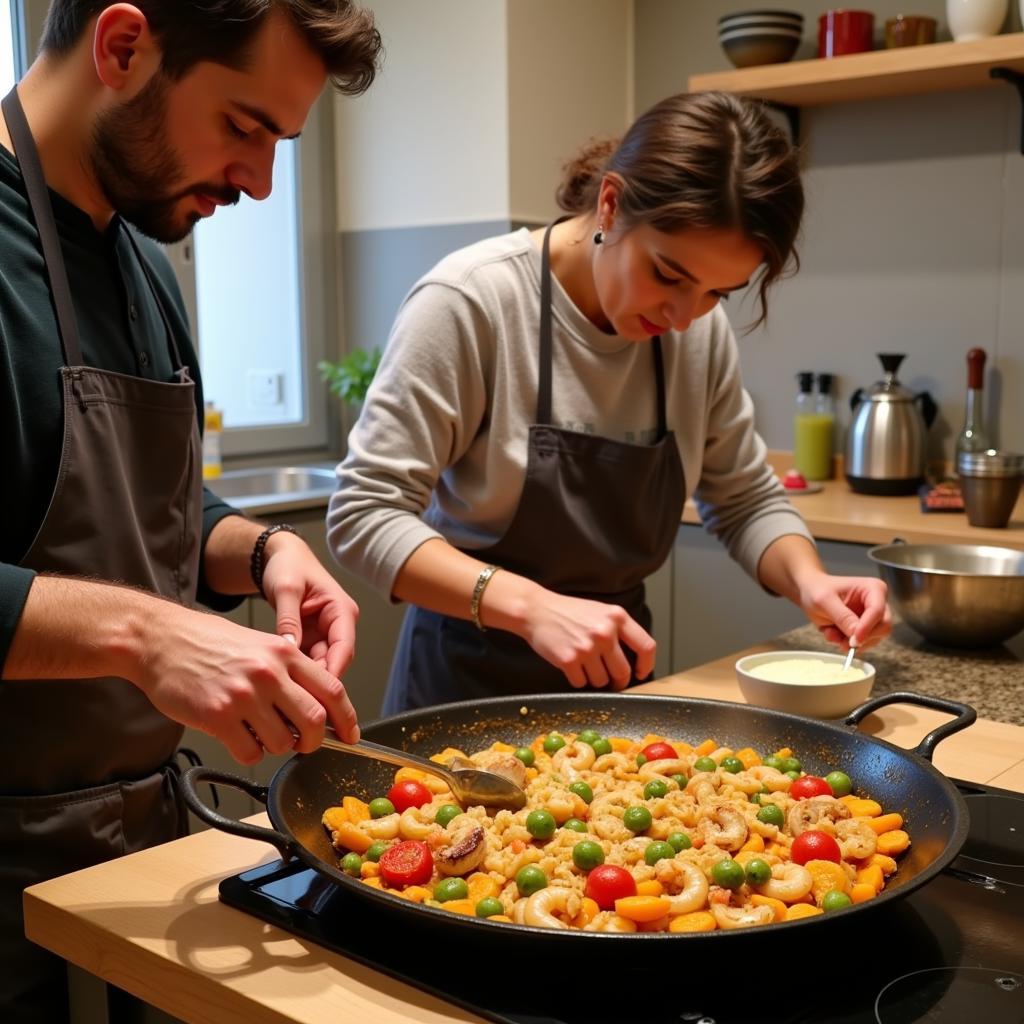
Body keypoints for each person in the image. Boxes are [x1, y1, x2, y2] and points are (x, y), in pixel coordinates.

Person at [0, 2, 381, 1019]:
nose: (259, 183)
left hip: (132, 848)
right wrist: (142, 632)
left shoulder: (141, 262)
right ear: (124, 47)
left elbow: (153, 503)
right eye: (246, 126)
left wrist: (262, 554)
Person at [328, 91, 891, 715]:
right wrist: (531, 606)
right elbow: (364, 514)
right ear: (611, 203)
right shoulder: (472, 303)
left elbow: (744, 496)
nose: (684, 316)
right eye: (669, 275)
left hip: (615, 687)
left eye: (718, 293)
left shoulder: (696, 334)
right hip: (462, 689)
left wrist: (811, 581)